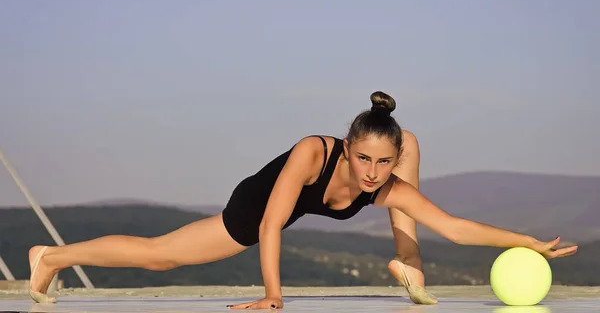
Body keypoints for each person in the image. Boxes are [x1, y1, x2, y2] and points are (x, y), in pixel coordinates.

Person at [27, 91, 578, 308]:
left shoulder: (387, 183)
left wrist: (527, 241)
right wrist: (273, 296)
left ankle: (409, 266)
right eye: (363, 158)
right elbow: (272, 222)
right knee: (160, 254)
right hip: (257, 206)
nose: (372, 173)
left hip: (285, 211)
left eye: (384, 162)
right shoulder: (312, 152)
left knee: (409, 151)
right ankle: (50, 257)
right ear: (347, 147)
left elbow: (455, 227)